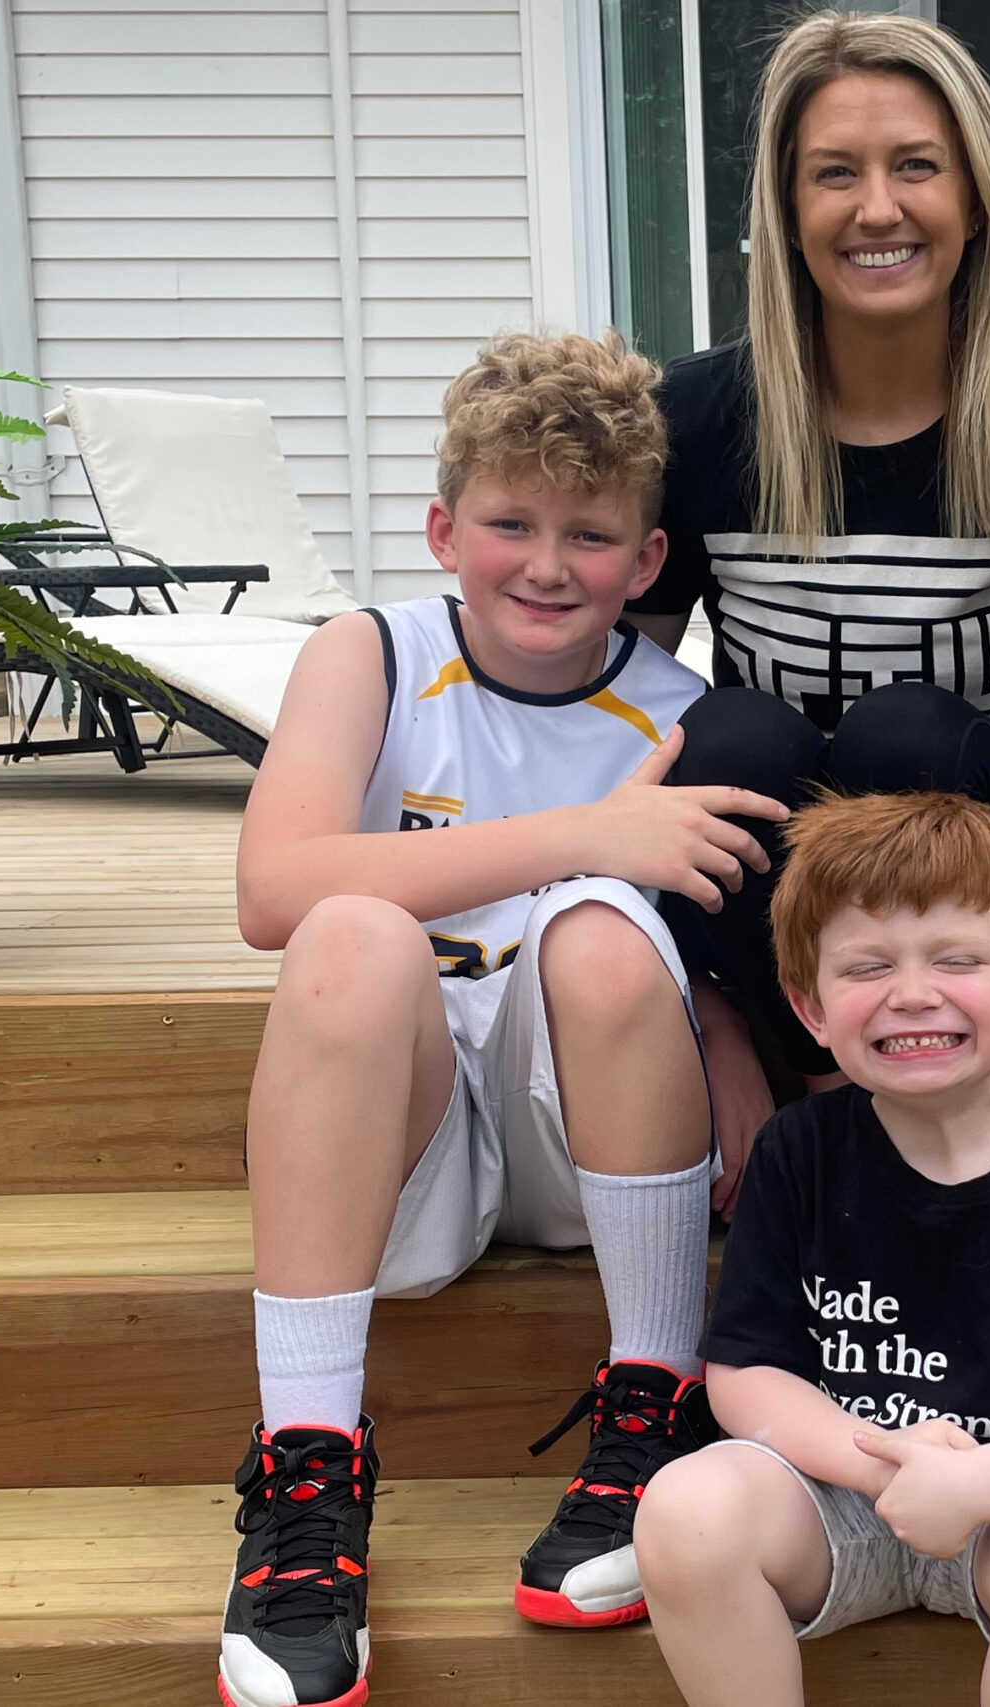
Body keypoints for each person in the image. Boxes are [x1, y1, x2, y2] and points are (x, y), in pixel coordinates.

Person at [217, 329, 793, 1707]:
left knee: (602, 926)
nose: (545, 563)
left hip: (579, 1143)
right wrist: (584, 830)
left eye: (590, 534)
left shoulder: (679, 710)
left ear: (649, 561)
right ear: (442, 526)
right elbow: (270, 889)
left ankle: (653, 1395)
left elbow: (689, 947)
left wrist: (723, 1035)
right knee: (350, 926)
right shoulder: (370, 652)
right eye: (509, 522)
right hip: (399, 1142)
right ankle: (306, 1471)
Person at [627, 11, 990, 1100]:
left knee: (907, 726)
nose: (876, 208)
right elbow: (620, 707)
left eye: (916, 167)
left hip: (978, 876)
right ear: (788, 214)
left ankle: (952, 1059)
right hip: (772, 909)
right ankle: (808, 1074)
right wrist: (707, 1014)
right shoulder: (696, 419)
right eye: (834, 172)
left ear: (976, 199)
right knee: (732, 729)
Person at [633, 791, 990, 1707]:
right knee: (685, 1510)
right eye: (867, 966)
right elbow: (747, 1375)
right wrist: (884, 1464)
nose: (913, 992)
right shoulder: (799, 1150)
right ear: (809, 1006)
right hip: (833, 1494)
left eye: (957, 960)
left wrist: (978, 1480)